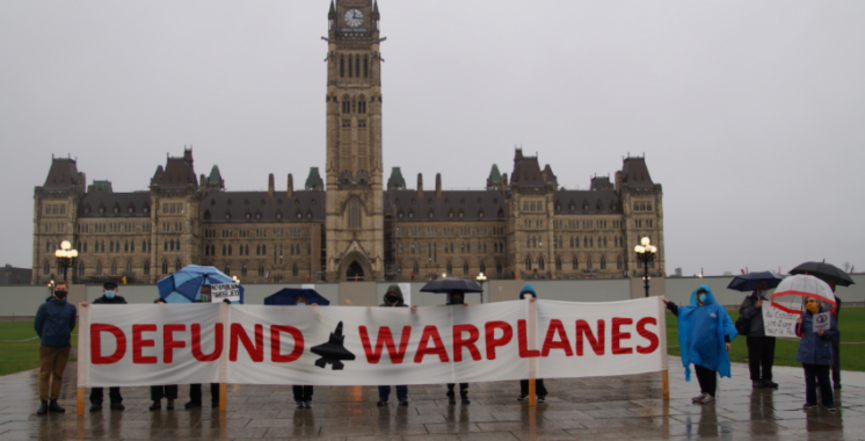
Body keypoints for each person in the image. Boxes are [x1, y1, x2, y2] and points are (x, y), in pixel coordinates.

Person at [661, 285, 737, 405]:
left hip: (711, 346)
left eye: (703, 294)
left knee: (710, 369)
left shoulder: (717, 308)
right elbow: (680, 312)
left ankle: (710, 393)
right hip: (697, 345)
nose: (701, 297)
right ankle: (704, 391)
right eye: (699, 295)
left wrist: (726, 340)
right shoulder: (693, 309)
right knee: (699, 369)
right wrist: (668, 303)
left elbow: (725, 324)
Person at [34, 281, 77, 415]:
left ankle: (54, 400)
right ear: (54, 290)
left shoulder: (70, 308)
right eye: (58, 288)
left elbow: (71, 325)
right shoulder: (45, 307)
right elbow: (38, 324)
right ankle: (43, 402)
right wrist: (46, 336)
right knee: (45, 374)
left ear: (67, 291)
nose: (60, 290)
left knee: (58, 374)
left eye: (63, 289)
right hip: (48, 344)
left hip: (63, 345)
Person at [796, 296, 838, 411]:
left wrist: (825, 333)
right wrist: (798, 324)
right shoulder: (804, 316)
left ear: (818, 303)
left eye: (812, 301)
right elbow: (799, 333)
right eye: (808, 302)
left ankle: (828, 402)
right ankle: (811, 401)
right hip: (807, 351)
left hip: (822, 351)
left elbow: (835, 333)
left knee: (824, 378)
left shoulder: (827, 316)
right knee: (809, 378)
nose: (810, 303)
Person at [89, 281, 127, 412]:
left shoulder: (122, 302)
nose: (110, 290)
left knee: (114, 374)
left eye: (112, 288)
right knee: (98, 374)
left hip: (115, 344)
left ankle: (116, 400)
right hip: (100, 343)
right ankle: (96, 401)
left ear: (116, 290)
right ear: (103, 290)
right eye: (108, 288)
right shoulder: (97, 303)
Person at [738, 282, 777, 389]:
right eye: (762, 288)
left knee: (768, 357)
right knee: (755, 358)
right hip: (754, 334)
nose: (764, 290)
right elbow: (744, 315)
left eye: (765, 288)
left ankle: (767, 378)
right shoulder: (749, 301)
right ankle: (755, 379)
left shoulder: (767, 301)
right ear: (757, 289)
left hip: (768, 333)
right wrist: (755, 307)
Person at [186, 284, 220, 409]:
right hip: (198, 343)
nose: (204, 294)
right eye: (202, 292)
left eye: (206, 292)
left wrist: (226, 304)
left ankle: (216, 400)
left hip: (213, 343)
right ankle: (195, 400)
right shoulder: (196, 306)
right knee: (195, 373)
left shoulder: (218, 306)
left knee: (215, 374)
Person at [377, 285, 411, 407]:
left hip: (400, 346)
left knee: (400, 373)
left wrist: (414, 312)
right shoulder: (381, 308)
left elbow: (413, 321)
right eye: (390, 295)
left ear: (399, 296)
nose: (392, 297)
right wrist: (369, 312)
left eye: (394, 295)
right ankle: (383, 397)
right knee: (384, 373)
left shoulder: (405, 308)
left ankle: (402, 397)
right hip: (385, 347)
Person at [516, 284, 547, 403]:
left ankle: (541, 393)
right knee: (524, 369)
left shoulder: (538, 306)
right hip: (523, 342)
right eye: (525, 295)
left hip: (535, 343)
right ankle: (524, 391)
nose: (527, 296)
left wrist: (536, 303)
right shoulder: (518, 307)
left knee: (536, 369)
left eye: (529, 294)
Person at [150, 298, 178, 411]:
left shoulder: (172, 318)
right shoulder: (150, 318)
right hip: (155, 352)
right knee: (155, 378)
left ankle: (170, 400)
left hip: (169, 351)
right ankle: (156, 400)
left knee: (170, 377)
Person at [445, 290, 470, 405]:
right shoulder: (446, 308)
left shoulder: (464, 308)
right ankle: (451, 392)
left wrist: (466, 310)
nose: (456, 297)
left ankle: (464, 392)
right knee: (451, 371)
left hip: (462, 344)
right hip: (450, 344)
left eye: (458, 295)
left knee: (463, 369)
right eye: (454, 295)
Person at [293, 295, 314, 409]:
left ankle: (308, 398)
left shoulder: (310, 314)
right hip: (295, 350)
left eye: (302, 301)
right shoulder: (291, 314)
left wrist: (315, 312)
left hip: (307, 350)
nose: (300, 303)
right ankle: (298, 398)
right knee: (296, 377)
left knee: (308, 376)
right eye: (298, 301)